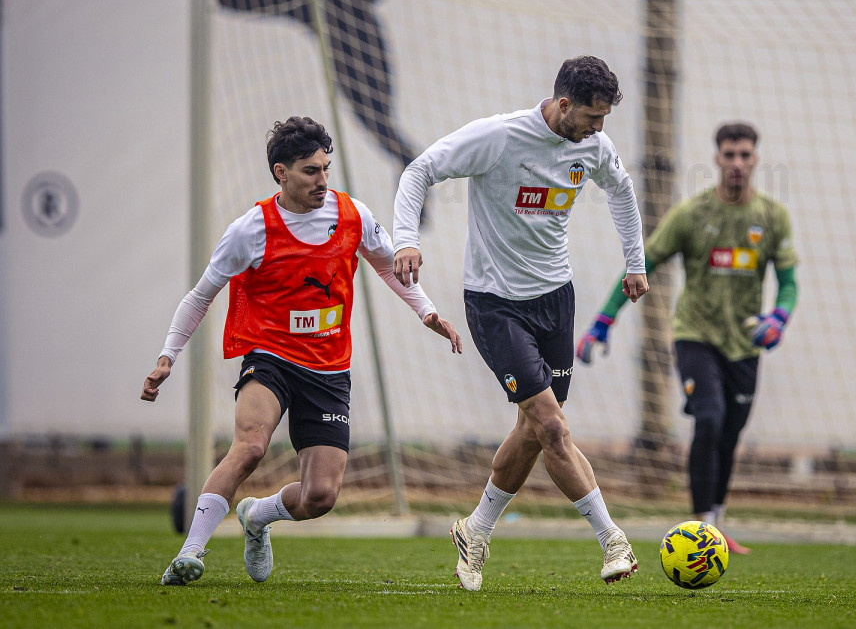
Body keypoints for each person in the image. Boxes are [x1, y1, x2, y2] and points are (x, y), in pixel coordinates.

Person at [142, 116, 462, 586]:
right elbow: (200, 296)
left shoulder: (353, 215)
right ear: (281, 173)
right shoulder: (250, 229)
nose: (322, 180)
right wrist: (168, 356)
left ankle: (257, 517)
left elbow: (387, 266)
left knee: (320, 496)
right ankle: (190, 552)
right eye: (311, 171)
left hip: (329, 368)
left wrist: (428, 312)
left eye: (326, 168)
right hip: (269, 356)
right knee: (250, 447)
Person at [392, 55, 648, 591]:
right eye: (592, 117)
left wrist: (635, 262)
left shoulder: (594, 146)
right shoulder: (499, 137)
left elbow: (622, 192)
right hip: (495, 304)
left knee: (533, 428)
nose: (599, 129)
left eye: (605, 119)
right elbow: (419, 170)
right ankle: (612, 540)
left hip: (556, 300)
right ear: (564, 104)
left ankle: (476, 529)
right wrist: (406, 240)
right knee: (551, 425)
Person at [577, 122, 797, 555]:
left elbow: (789, 282)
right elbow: (642, 263)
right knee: (709, 418)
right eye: (729, 155)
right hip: (695, 335)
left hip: (745, 343)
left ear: (755, 160)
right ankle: (702, 528)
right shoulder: (691, 215)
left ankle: (716, 521)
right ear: (717, 159)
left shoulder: (772, 217)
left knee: (730, 434)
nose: (737, 163)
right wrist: (603, 321)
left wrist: (779, 318)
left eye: (745, 155)